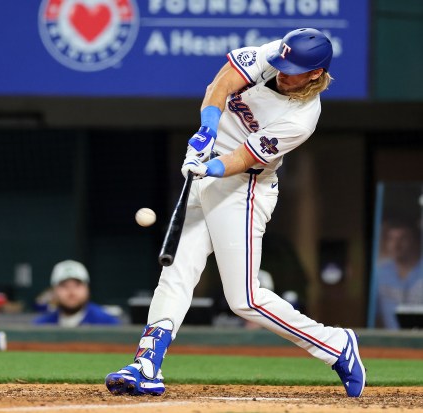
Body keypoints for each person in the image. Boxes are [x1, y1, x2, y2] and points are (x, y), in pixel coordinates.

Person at [105, 28, 365, 398]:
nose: (283, 71)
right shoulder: (273, 55)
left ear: (315, 75)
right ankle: (147, 363)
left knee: (245, 298)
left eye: (293, 69)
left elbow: (243, 158)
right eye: (282, 63)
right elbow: (221, 84)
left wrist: (208, 168)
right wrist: (206, 131)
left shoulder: (302, 118)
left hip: (244, 189)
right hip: (208, 167)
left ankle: (336, 345)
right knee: (176, 272)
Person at [33, 260, 120, 327]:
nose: (71, 291)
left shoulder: (108, 324)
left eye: (77, 285)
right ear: (54, 290)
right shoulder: (41, 325)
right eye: (64, 286)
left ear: (87, 288)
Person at [376, 221, 423, 329]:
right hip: (390, 343)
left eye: (403, 238)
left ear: (415, 241)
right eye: (391, 239)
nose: (396, 245)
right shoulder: (380, 273)